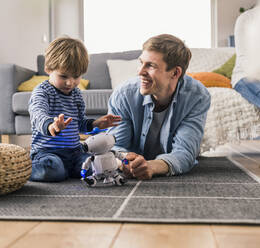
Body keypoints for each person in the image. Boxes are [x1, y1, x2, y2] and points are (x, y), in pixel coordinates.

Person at [108, 34, 211, 180]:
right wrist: (124, 162)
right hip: (131, 159)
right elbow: (116, 147)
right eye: (141, 63)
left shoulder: (197, 97)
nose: (140, 72)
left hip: (163, 163)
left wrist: (152, 166)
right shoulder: (124, 95)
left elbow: (185, 153)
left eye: (150, 65)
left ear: (175, 73)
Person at [29, 36, 121, 182]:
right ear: (48, 69)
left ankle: (66, 171)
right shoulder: (42, 91)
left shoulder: (76, 94)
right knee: (53, 170)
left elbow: (80, 124)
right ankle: (27, 169)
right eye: (63, 76)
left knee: (95, 167)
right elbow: (37, 115)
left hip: (74, 153)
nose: (70, 82)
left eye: (76, 77)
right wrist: (51, 125)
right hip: (47, 153)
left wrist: (96, 124)